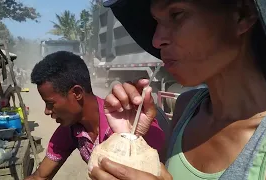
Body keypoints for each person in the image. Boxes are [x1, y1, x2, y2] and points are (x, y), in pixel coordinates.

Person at [88, 0, 266, 179]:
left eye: (176, 14)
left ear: (242, 15)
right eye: (157, 22)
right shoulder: (187, 107)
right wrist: (131, 141)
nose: (156, 40)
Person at [25, 51, 165, 179]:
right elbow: (40, 176)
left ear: (77, 93)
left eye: (50, 104)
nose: (47, 111)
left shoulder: (127, 124)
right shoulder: (71, 127)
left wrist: (133, 136)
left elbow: (163, 174)